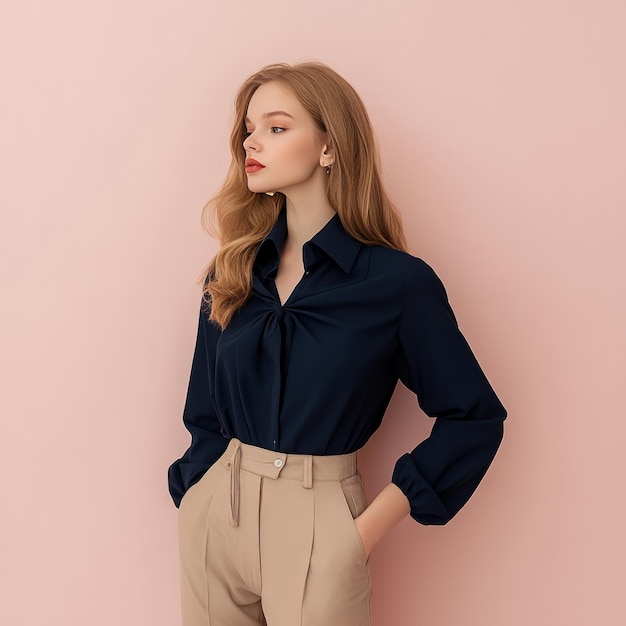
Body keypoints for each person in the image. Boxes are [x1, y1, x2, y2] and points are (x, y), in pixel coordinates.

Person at [168, 61, 507, 626]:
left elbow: (474, 417)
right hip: (216, 516)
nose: (252, 141)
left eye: (277, 127)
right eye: (249, 129)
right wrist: (196, 495)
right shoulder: (231, 272)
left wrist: (362, 532)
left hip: (320, 521)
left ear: (329, 147)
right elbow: (206, 413)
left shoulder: (396, 284)